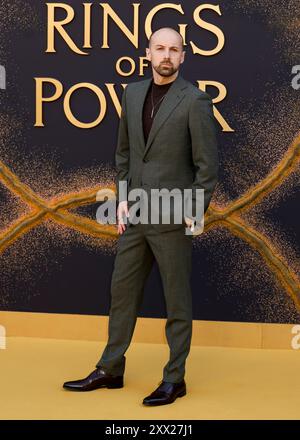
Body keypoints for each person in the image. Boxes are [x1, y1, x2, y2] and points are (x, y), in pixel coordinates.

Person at [63, 27, 219, 406]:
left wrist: (192, 212)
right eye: (160, 48)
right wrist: (122, 197)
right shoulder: (132, 93)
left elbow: (207, 166)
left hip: (173, 218)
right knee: (122, 294)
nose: (167, 55)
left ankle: (174, 379)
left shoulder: (195, 100)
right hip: (133, 214)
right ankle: (110, 369)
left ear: (183, 57)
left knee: (176, 302)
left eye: (174, 50)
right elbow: (125, 153)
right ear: (147, 53)